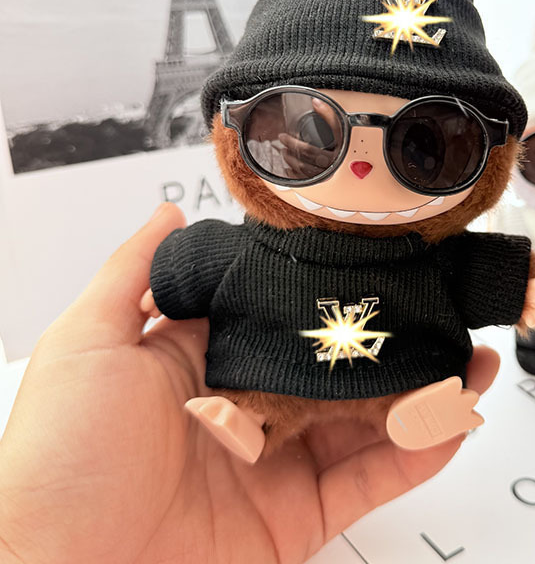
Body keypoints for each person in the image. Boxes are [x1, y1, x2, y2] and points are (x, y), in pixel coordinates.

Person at [0, 203, 500, 564]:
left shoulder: (428, 252)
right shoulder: (257, 243)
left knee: (403, 381)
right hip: (275, 369)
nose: (362, 165)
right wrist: (167, 288)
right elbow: (203, 259)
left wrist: (519, 287)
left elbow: (476, 269)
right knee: (262, 394)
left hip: (391, 367)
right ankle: (250, 422)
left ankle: (412, 410)